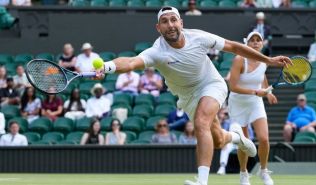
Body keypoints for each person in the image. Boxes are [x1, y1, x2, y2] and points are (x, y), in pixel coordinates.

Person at [95, 6, 291, 185]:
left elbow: (234, 47)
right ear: (158, 27)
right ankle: (237, 138)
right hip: (187, 96)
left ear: (181, 23)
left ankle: (202, 182)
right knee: (218, 141)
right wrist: (107, 66)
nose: (170, 25)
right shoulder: (156, 52)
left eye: (174, 20)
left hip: (212, 84)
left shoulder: (199, 37)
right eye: (165, 21)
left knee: (201, 122)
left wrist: (268, 60)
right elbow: (130, 62)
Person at [228, 31, 278, 185]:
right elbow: (233, 86)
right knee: (244, 142)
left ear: (262, 44)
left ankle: (263, 171)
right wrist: (256, 92)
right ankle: (243, 173)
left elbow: (262, 76)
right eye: (252, 40)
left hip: (256, 103)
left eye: (258, 40)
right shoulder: (239, 60)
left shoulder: (263, 62)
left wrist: (267, 91)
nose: (255, 42)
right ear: (247, 44)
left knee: (264, 139)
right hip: (237, 103)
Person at [217, 108, 255, 175]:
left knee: (246, 148)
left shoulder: (246, 122)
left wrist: (246, 142)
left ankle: (245, 169)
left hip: (242, 142)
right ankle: (222, 167)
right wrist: (225, 143)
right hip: (230, 143)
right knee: (225, 148)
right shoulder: (227, 122)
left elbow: (251, 135)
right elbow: (223, 132)